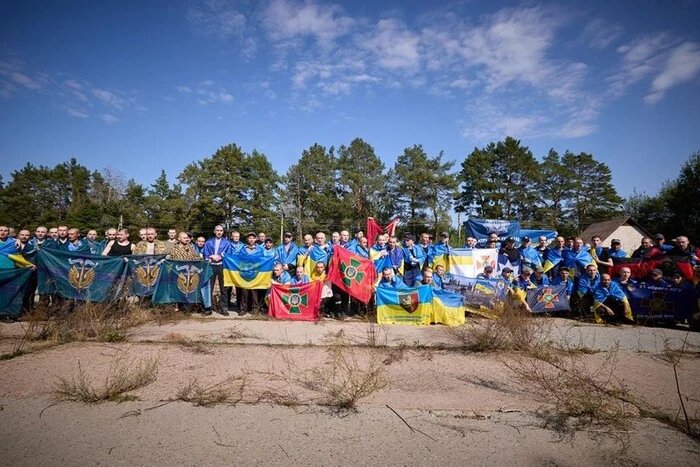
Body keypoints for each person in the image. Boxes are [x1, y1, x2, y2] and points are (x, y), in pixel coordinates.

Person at [167, 232, 202, 313]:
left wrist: (201, 259)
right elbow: (170, 261)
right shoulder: (174, 249)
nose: (186, 239)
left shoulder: (191, 248)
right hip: (178, 275)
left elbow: (196, 257)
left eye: (187, 238)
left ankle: (186, 310)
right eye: (184, 238)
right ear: (179, 239)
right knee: (178, 292)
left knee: (188, 292)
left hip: (189, 275)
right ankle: (177, 308)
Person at [202, 225, 231, 316]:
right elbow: (205, 253)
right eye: (217, 230)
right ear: (214, 231)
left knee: (224, 288)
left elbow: (228, 253)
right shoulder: (208, 242)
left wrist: (220, 256)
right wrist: (211, 256)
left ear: (223, 232)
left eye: (221, 230)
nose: (219, 232)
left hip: (222, 266)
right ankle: (208, 308)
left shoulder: (227, 243)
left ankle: (224, 308)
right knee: (209, 287)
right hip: (211, 266)